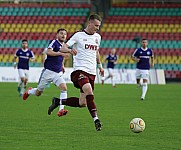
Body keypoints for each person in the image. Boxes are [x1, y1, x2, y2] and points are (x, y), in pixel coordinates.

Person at [48, 14, 104, 131]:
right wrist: (69, 50)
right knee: (89, 90)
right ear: (89, 23)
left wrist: (100, 66)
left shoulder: (97, 37)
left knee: (82, 103)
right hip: (79, 71)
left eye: (99, 26)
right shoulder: (78, 35)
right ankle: (96, 120)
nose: (97, 28)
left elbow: (96, 52)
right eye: (96, 25)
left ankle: (58, 101)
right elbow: (62, 47)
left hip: (92, 72)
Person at [23, 28, 76, 117]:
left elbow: (61, 58)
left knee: (64, 88)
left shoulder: (64, 46)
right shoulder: (54, 42)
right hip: (48, 72)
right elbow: (49, 52)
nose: (63, 35)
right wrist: (61, 54)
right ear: (57, 35)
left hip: (57, 73)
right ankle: (29, 91)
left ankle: (61, 110)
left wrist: (62, 65)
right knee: (38, 93)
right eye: (61, 33)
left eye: (65, 34)